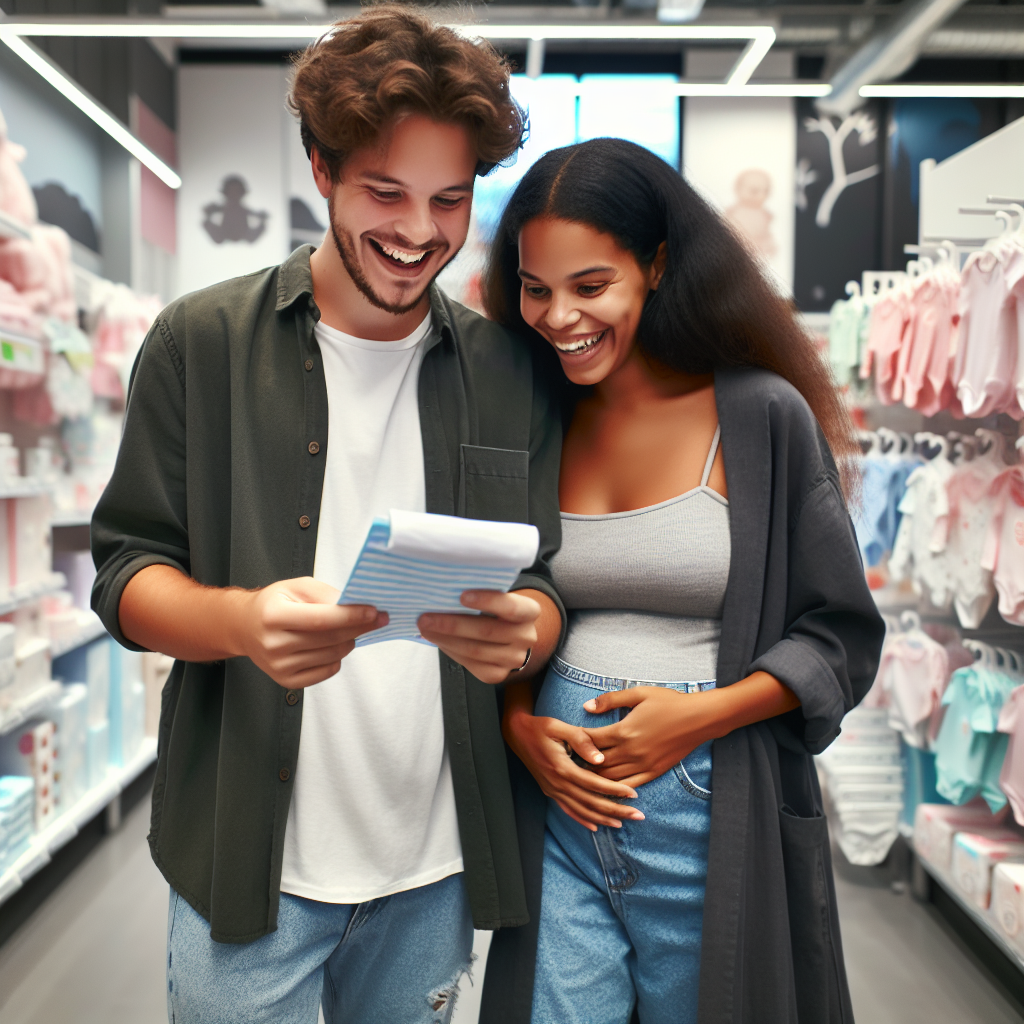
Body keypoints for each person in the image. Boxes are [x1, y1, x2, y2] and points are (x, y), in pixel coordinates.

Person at [90, 8, 565, 1023]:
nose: (416, 232)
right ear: (321, 169)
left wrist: (529, 632)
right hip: (246, 861)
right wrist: (243, 625)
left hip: (432, 863)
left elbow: (546, 583)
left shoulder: (505, 370)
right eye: (383, 193)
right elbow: (126, 573)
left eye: (448, 200)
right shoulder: (198, 344)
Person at [478, 137, 885, 1024]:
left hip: (710, 809)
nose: (557, 317)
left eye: (591, 287)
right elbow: (502, 607)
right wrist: (518, 727)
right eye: (535, 287)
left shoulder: (757, 416)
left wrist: (697, 718)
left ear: (656, 267)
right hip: (560, 815)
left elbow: (839, 638)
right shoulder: (534, 413)